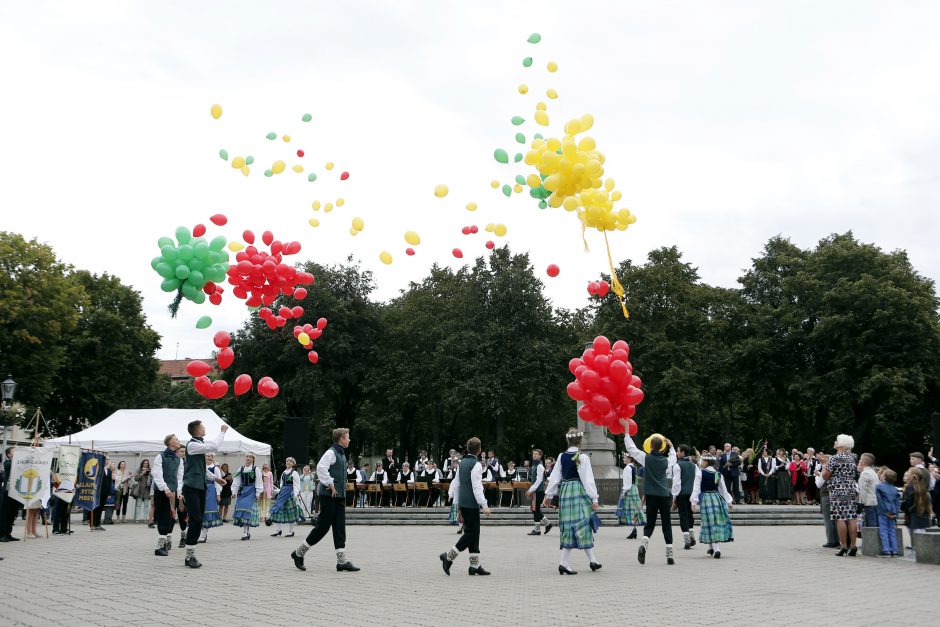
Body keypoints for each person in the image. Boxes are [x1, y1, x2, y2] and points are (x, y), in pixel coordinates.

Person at [292, 429, 360, 572]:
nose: (349, 440)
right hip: (329, 496)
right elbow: (321, 468)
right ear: (341, 439)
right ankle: (299, 552)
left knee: (339, 527)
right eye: (347, 437)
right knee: (322, 527)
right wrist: (330, 484)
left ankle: (342, 561)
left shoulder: (341, 453)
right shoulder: (331, 452)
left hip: (338, 496)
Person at [542, 429, 601, 575]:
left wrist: (548, 496)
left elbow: (555, 477)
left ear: (568, 441)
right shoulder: (582, 457)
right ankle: (564, 563)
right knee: (583, 524)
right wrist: (594, 498)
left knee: (570, 525)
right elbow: (588, 480)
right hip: (579, 491)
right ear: (580, 442)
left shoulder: (562, 456)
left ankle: (592, 560)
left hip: (566, 491)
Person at [622, 422, 677, 566]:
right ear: (662, 447)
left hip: (651, 495)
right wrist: (670, 446)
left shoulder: (646, 458)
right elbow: (674, 457)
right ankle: (669, 553)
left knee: (650, 523)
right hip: (664, 495)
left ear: (650, 446)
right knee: (666, 523)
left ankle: (644, 545)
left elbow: (631, 449)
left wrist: (627, 432)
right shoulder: (666, 461)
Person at [438, 437, 492, 576]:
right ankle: (449, 557)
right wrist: (484, 504)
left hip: (463, 501)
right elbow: (477, 487)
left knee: (474, 532)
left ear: (468, 449)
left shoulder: (462, 463)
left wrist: (452, 496)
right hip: (471, 503)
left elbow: (456, 482)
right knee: (471, 533)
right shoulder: (476, 464)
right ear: (479, 450)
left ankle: (474, 565)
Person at [180, 419, 227, 568]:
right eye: (203, 426)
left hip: (199, 487)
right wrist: (222, 431)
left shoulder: (198, 445)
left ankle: (190, 553)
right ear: (198, 430)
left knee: (198, 520)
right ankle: (189, 555)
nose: (205, 428)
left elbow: (202, 469)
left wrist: (216, 479)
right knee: (196, 519)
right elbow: (214, 446)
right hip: (191, 487)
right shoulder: (193, 445)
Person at [821, 434, 859, 556]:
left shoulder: (834, 458)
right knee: (852, 517)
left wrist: (823, 470)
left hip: (838, 488)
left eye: (836, 441)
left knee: (840, 517)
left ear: (841, 444)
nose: (835, 442)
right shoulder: (851, 458)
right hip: (850, 487)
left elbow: (826, 475)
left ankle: (843, 546)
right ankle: (853, 545)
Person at [691, 454, 734, 558]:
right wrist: (729, 502)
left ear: (706, 462)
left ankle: (716, 548)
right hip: (717, 498)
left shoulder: (700, 473)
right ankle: (712, 548)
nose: (701, 462)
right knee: (716, 522)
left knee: (708, 522)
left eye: (702, 460)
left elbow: (696, 488)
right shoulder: (718, 474)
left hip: (706, 499)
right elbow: (723, 489)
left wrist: (693, 502)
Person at [152, 434, 184, 557]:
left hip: (174, 491)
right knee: (162, 516)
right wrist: (165, 488)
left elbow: (179, 477)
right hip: (161, 491)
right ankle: (160, 546)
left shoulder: (179, 459)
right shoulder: (160, 457)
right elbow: (157, 474)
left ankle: (164, 542)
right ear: (170, 442)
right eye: (176, 439)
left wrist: (179, 491)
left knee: (171, 516)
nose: (178, 441)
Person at [268, 457, 303, 537]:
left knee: (290, 512)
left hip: (290, 494)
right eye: (287, 461)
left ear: (293, 464)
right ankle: (278, 530)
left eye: (290, 461)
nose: (288, 462)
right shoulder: (284, 472)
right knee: (278, 510)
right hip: (282, 493)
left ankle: (291, 531)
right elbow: (281, 484)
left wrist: (295, 494)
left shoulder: (294, 473)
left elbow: (297, 484)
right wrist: (279, 491)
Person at [232, 453, 263, 540]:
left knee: (247, 509)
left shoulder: (256, 469)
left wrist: (258, 493)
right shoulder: (241, 469)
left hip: (251, 491)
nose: (248, 458)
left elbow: (259, 481)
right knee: (240, 508)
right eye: (247, 457)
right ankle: (246, 532)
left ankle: (245, 532)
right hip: (243, 491)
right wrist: (234, 492)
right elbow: (236, 481)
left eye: (250, 457)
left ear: (253, 459)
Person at [901, 467, 932, 553]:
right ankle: (925, 549)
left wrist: (904, 508)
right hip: (922, 512)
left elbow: (907, 502)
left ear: (912, 475)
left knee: (916, 532)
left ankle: (920, 551)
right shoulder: (922, 486)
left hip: (913, 514)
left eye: (908, 472)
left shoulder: (910, 487)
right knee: (922, 531)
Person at [672, 444, 697, 550]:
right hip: (691, 493)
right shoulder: (694, 465)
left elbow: (676, 483)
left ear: (683, 452)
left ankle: (687, 539)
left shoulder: (678, 465)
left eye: (678, 451)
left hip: (681, 494)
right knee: (690, 514)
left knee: (683, 515)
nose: (677, 453)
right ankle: (691, 535)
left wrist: (674, 497)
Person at [616, 452, 645, 540]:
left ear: (629, 459)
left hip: (629, 490)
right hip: (634, 489)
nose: (623, 459)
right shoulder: (633, 467)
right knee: (634, 510)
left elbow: (627, 482)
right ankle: (633, 530)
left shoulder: (628, 468)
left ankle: (633, 530)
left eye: (624, 457)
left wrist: (623, 493)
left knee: (628, 510)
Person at [813, 453, 839, 548]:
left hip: (826, 495)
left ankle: (831, 541)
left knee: (828, 519)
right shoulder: (836, 469)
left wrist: (817, 475)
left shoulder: (826, 469)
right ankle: (837, 540)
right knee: (835, 519)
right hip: (835, 495)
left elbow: (820, 483)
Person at [525, 449, 553, 536]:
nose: (534, 455)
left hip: (538, 491)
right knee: (535, 509)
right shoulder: (534, 465)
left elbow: (539, 480)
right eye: (533, 454)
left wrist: (530, 490)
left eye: (536, 454)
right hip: (536, 490)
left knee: (535, 509)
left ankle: (538, 529)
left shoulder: (540, 466)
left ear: (540, 456)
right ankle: (547, 524)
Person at [198, 452, 225, 543]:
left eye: (211, 456)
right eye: (208, 456)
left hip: (210, 491)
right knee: (200, 512)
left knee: (207, 511)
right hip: (200, 489)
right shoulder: (201, 467)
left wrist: (218, 494)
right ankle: (202, 533)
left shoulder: (216, 468)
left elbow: (218, 482)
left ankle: (203, 535)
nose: (209, 458)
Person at [875, 468, 900, 557]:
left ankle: (886, 550)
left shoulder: (878, 487)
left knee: (884, 531)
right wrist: (896, 513)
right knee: (892, 531)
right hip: (893, 512)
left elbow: (880, 500)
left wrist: (884, 511)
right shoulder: (895, 489)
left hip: (883, 512)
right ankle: (895, 550)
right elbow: (897, 502)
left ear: (884, 477)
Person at [857, 453, 879, 530]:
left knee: (871, 525)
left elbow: (863, 491)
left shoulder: (864, 474)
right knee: (876, 524)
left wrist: (862, 503)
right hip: (876, 502)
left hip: (869, 503)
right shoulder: (873, 472)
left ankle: (873, 541)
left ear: (862, 462)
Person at [91, 457, 113, 531]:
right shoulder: (98, 469)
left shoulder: (109, 470)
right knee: (96, 507)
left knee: (101, 508)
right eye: (105, 459)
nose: (107, 461)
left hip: (105, 492)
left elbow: (109, 482)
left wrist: (109, 492)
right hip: (98, 492)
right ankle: (93, 523)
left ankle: (98, 524)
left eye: (108, 460)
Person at [131, 459, 153, 523]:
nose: (146, 464)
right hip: (140, 489)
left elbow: (152, 479)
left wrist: (150, 474)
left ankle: (145, 518)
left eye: (147, 463)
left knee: (146, 505)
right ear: (142, 464)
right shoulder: (139, 470)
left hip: (147, 489)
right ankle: (137, 518)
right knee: (138, 504)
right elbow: (136, 478)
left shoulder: (150, 470)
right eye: (144, 463)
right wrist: (142, 473)